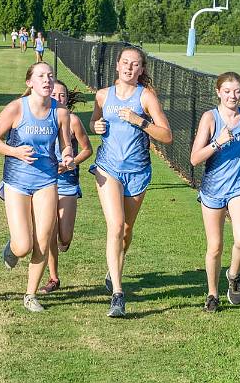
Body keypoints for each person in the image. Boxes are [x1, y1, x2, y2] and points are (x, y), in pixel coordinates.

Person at [89, 46, 172, 317]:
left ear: (141, 69)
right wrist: (96, 126)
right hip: (108, 168)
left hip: (137, 171)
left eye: (135, 64)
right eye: (125, 63)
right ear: (117, 65)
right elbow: (94, 121)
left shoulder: (145, 97)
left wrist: (141, 122)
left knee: (125, 230)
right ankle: (118, 295)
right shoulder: (103, 96)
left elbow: (167, 135)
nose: (129, 68)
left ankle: (112, 269)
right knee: (114, 226)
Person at [0, 62, 74, 312]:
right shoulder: (16, 108)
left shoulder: (60, 113)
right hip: (17, 181)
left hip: (47, 180)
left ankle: (30, 295)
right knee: (23, 245)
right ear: (30, 82)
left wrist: (67, 156)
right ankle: (13, 248)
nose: (47, 80)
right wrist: (14, 151)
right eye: (41, 76)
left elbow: (66, 144)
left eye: (50, 76)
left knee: (43, 241)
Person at [189, 71, 240, 313]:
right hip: (213, 189)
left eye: (237, 91)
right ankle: (212, 293)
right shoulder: (210, 118)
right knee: (215, 246)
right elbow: (194, 159)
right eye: (227, 91)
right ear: (218, 93)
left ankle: (233, 275)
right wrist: (217, 142)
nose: (233, 96)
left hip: (239, 186)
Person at [38, 81, 93, 294]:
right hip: (45, 182)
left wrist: (72, 162)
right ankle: (53, 278)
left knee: (64, 236)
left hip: (68, 182)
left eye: (62, 95)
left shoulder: (73, 121)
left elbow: (87, 150)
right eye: (54, 94)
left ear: (66, 99)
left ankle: (64, 241)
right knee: (49, 230)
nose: (57, 98)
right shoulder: (39, 118)